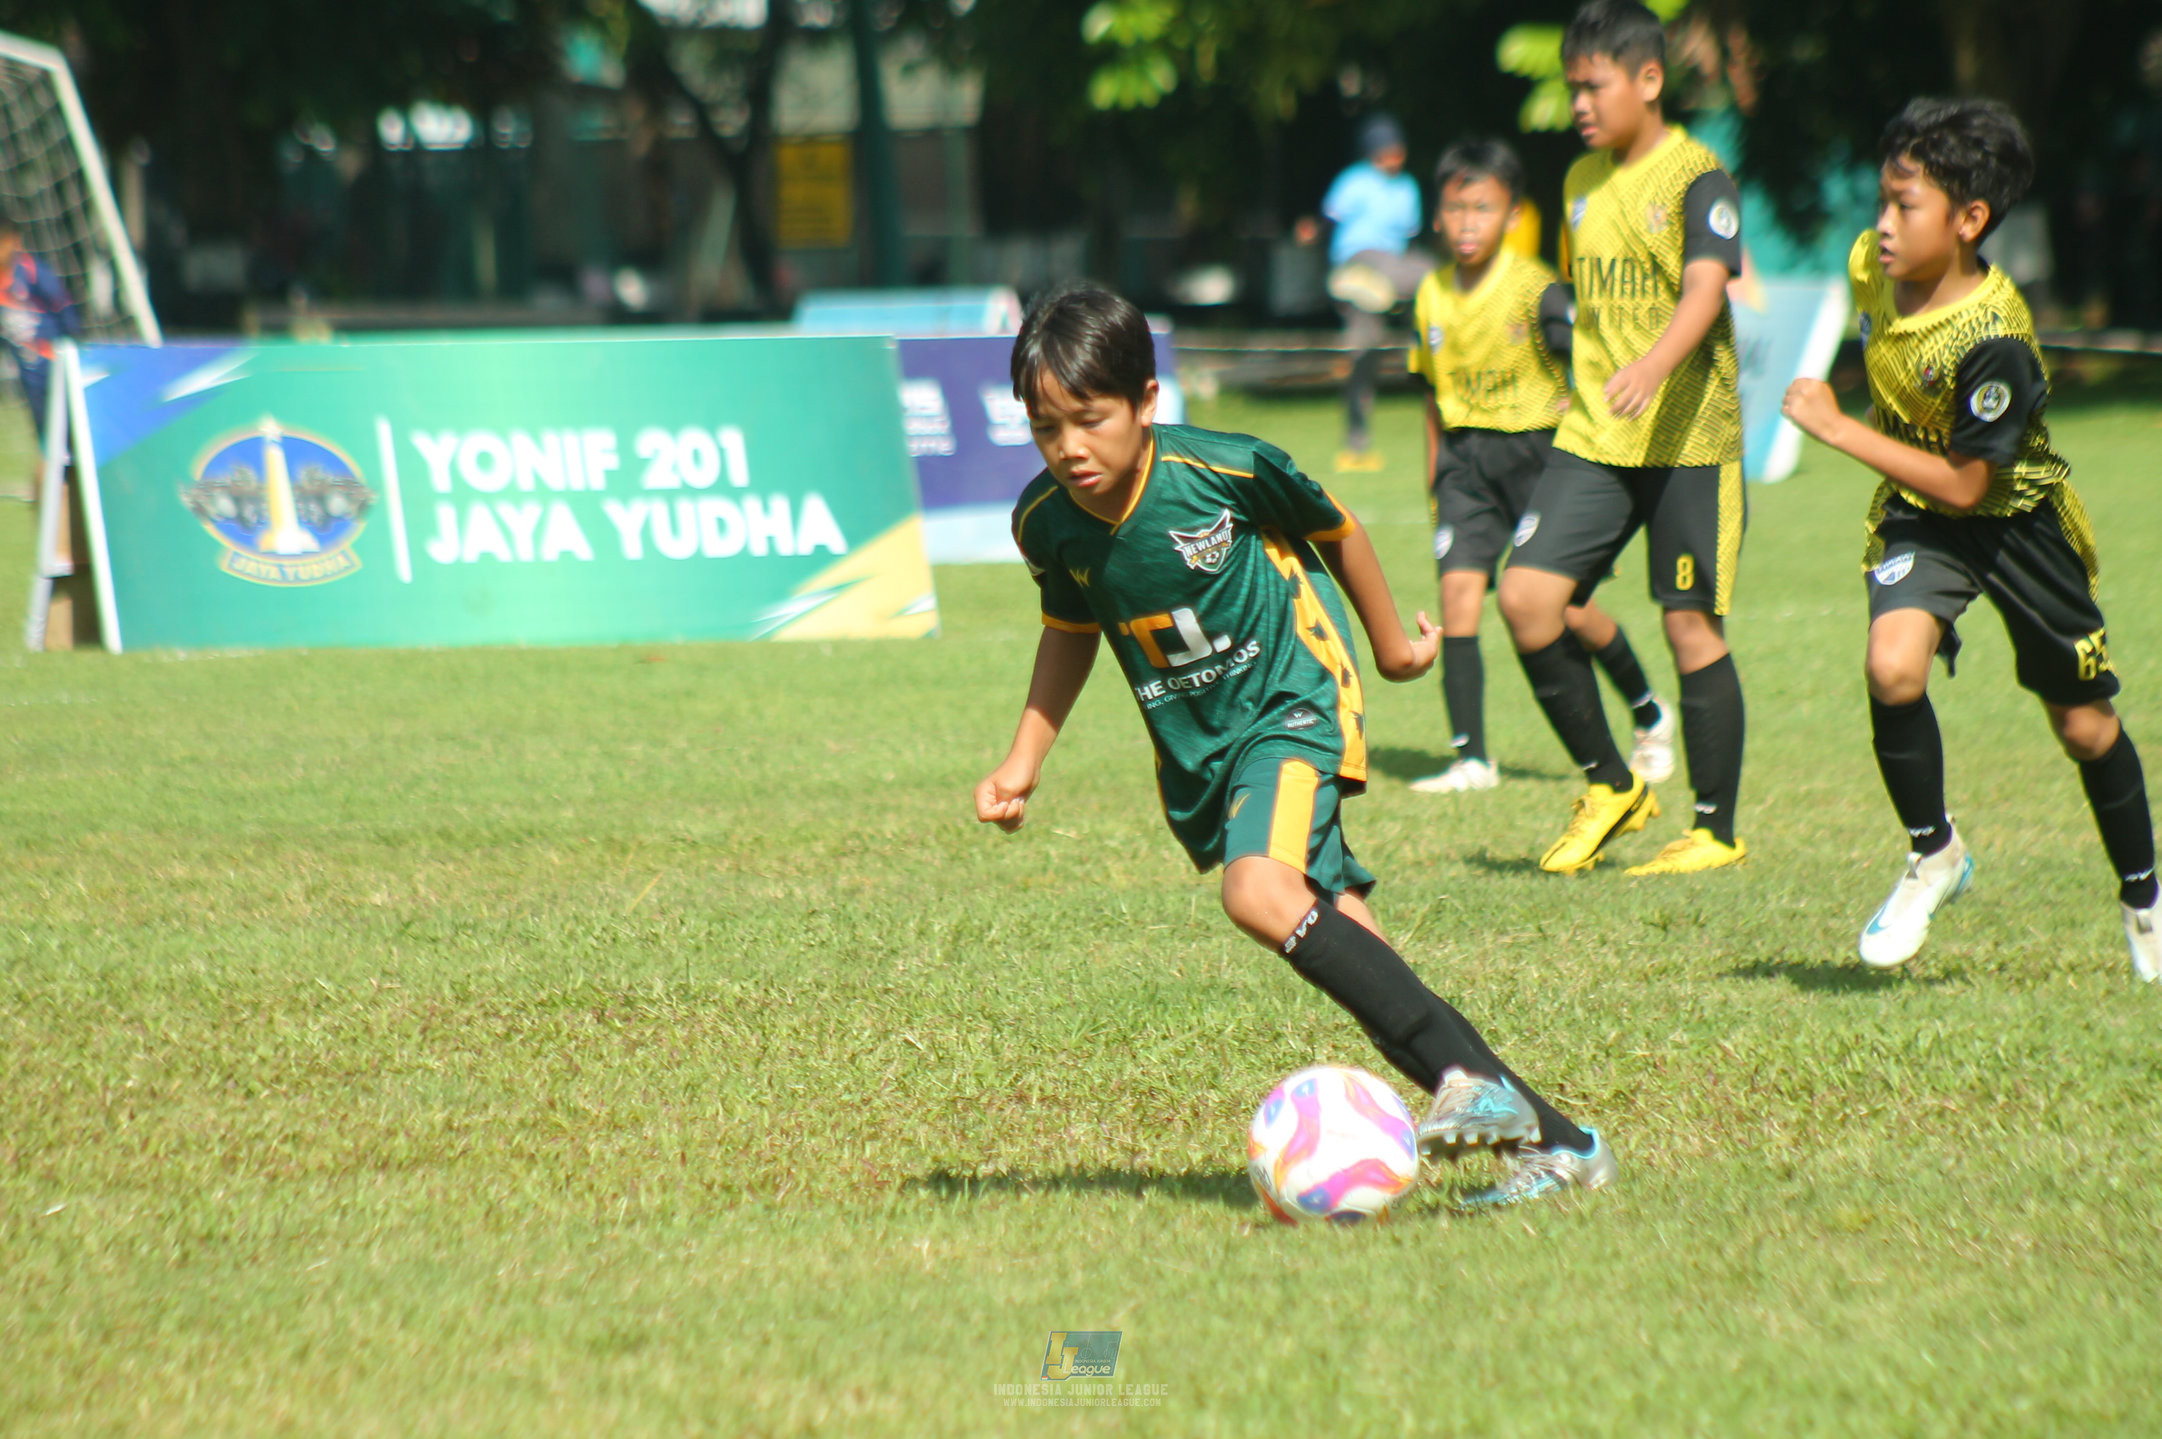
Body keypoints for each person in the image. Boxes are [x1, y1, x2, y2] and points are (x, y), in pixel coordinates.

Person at [975, 283, 1617, 1207]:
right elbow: (1069, 626)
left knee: (1258, 890)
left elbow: (1338, 529)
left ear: (1148, 401)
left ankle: (1476, 1094)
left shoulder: (1224, 470)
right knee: (1360, 957)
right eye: (1045, 427)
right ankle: (1563, 1143)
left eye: (1090, 417)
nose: (1070, 446)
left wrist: (1395, 650)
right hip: (1205, 753)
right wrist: (1022, 759)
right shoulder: (1045, 521)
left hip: (1294, 700)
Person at [1781, 99, 2161, 980]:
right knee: (1891, 666)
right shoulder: (1871, 271)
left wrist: (1836, 429)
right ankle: (1934, 853)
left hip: (2015, 522)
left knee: (2085, 729)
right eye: (1881, 201)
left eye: (1903, 207)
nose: (1880, 225)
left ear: (1969, 221)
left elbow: (1969, 483)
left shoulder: (1998, 343)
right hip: (1923, 516)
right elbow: (1925, 463)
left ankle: (2143, 894)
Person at [1495, 0, 1749, 876]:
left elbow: (1706, 292)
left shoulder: (1698, 177)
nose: (1579, 104)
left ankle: (1713, 830)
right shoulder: (1575, 183)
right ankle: (1613, 785)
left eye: (1592, 85)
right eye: (1571, 88)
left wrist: (1654, 365)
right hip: (1597, 434)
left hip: (1688, 437)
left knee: (1691, 629)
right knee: (1526, 598)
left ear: (1648, 79)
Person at [1404, 137, 1675, 796]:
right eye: (1456, 209)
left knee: (1571, 611)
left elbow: (1588, 366)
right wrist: (1434, 474)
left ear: (1512, 214)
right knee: (1458, 597)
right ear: (1437, 216)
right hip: (1466, 461)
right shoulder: (1430, 295)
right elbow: (1430, 398)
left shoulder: (1537, 290)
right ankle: (1472, 758)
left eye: (1484, 209)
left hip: (1538, 457)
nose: (1468, 223)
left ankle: (1648, 713)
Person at [1302, 115, 1433, 474]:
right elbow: (1328, 223)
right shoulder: (1354, 181)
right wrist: (1317, 247)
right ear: (1376, 151)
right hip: (1360, 258)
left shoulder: (1407, 187)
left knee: (1427, 274)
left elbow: (1409, 239)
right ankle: (1356, 442)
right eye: (1391, 149)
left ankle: (1401, 311)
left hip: (1391, 266)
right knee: (1362, 353)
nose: (1397, 155)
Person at [0, 214, 80, 450]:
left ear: (14, 242)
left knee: (70, 443)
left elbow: (63, 307)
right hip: (30, 375)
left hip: (56, 366)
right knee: (46, 443)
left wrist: (71, 345)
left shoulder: (32, 272)